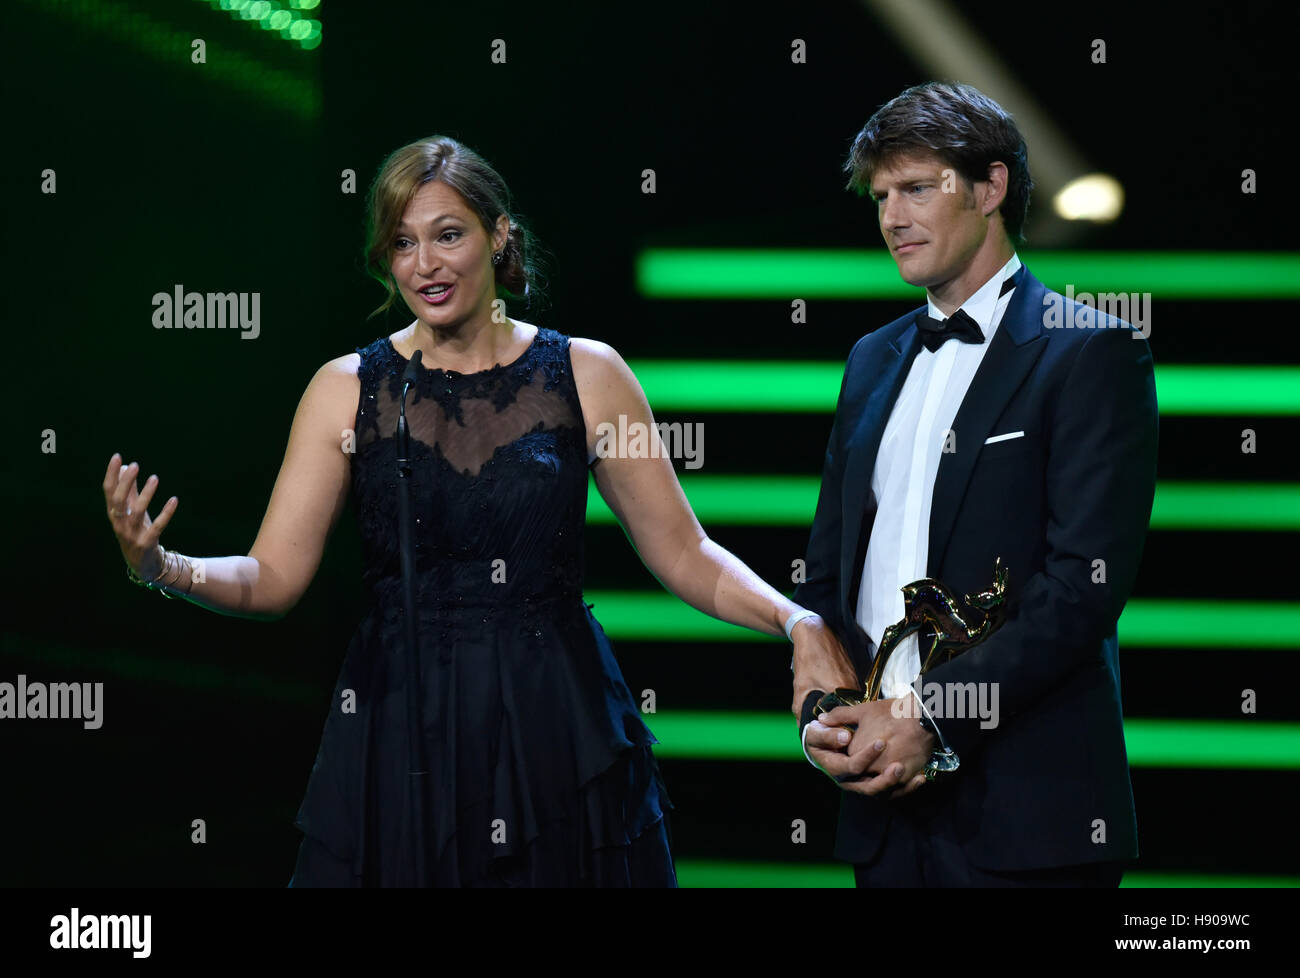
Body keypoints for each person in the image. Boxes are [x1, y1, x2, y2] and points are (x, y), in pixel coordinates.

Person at [102, 135, 857, 887]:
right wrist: (162, 567)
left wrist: (795, 621)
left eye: (448, 235)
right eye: (402, 243)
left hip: (556, 723)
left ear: (500, 235)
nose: (424, 264)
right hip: (401, 729)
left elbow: (684, 552)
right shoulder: (345, 388)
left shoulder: (586, 373)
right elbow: (272, 578)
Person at [792, 82, 1158, 886]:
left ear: (991, 188)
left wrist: (932, 714)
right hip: (882, 812)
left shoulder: (1090, 352)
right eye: (882, 195)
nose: (892, 217)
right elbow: (830, 574)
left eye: (918, 188)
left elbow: (1082, 589)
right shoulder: (869, 360)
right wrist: (828, 712)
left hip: (1031, 815)